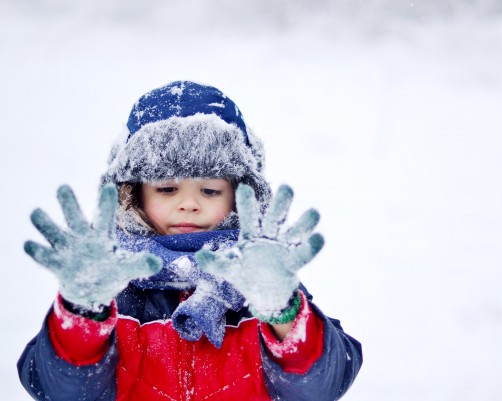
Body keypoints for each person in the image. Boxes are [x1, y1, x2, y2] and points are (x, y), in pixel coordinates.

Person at [17, 81, 363, 401]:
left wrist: (280, 309)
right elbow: (61, 391)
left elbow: (319, 388)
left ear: (241, 195)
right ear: (133, 194)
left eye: (210, 190)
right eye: (167, 188)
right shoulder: (113, 286)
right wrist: (82, 309)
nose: (189, 203)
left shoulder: (259, 282)